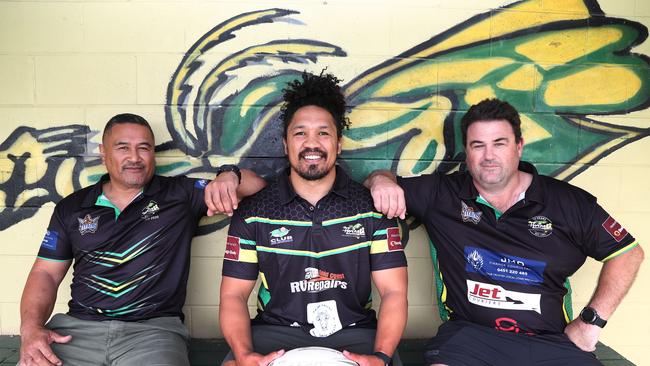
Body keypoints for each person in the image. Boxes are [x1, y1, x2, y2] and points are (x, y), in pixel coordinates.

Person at [364, 99, 644, 365]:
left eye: (499, 144)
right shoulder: (442, 194)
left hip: (550, 343)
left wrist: (590, 323)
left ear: (519, 147)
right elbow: (379, 182)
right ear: (467, 151)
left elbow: (628, 254)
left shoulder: (568, 202)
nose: (488, 156)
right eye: (478, 145)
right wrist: (380, 181)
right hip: (469, 338)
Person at [18, 113, 264, 366]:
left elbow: (257, 185)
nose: (134, 157)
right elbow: (45, 273)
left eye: (143, 148)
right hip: (77, 331)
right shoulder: (72, 208)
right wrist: (31, 329)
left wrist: (229, 176)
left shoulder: (179, 195)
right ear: (104, 153)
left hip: (152, 334)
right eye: (123, 147)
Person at [216, 71, 408, 366]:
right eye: (300, 132)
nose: (312, 143)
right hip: (275, 330)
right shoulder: (254, 211)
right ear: (285, 144)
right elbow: (233, 296)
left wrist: (381, 356)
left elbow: (394, 292)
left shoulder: (372, 208)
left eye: (323, 132)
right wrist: (244, 355)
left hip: (355, 331)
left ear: (339, 143)